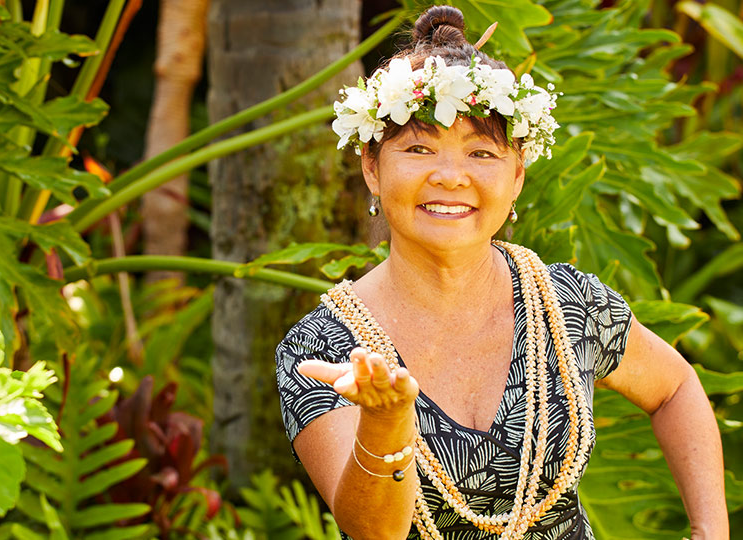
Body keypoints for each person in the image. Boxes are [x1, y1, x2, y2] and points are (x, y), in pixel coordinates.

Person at [274, 5, 729, 539]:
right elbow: (373, 532)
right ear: (372, 168)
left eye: (481, 153)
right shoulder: (323, 351)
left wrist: (710, 530)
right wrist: (384, 422)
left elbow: (675, 387)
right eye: (419, 148)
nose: (451, 177)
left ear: (517, 177)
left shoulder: (565, 302)